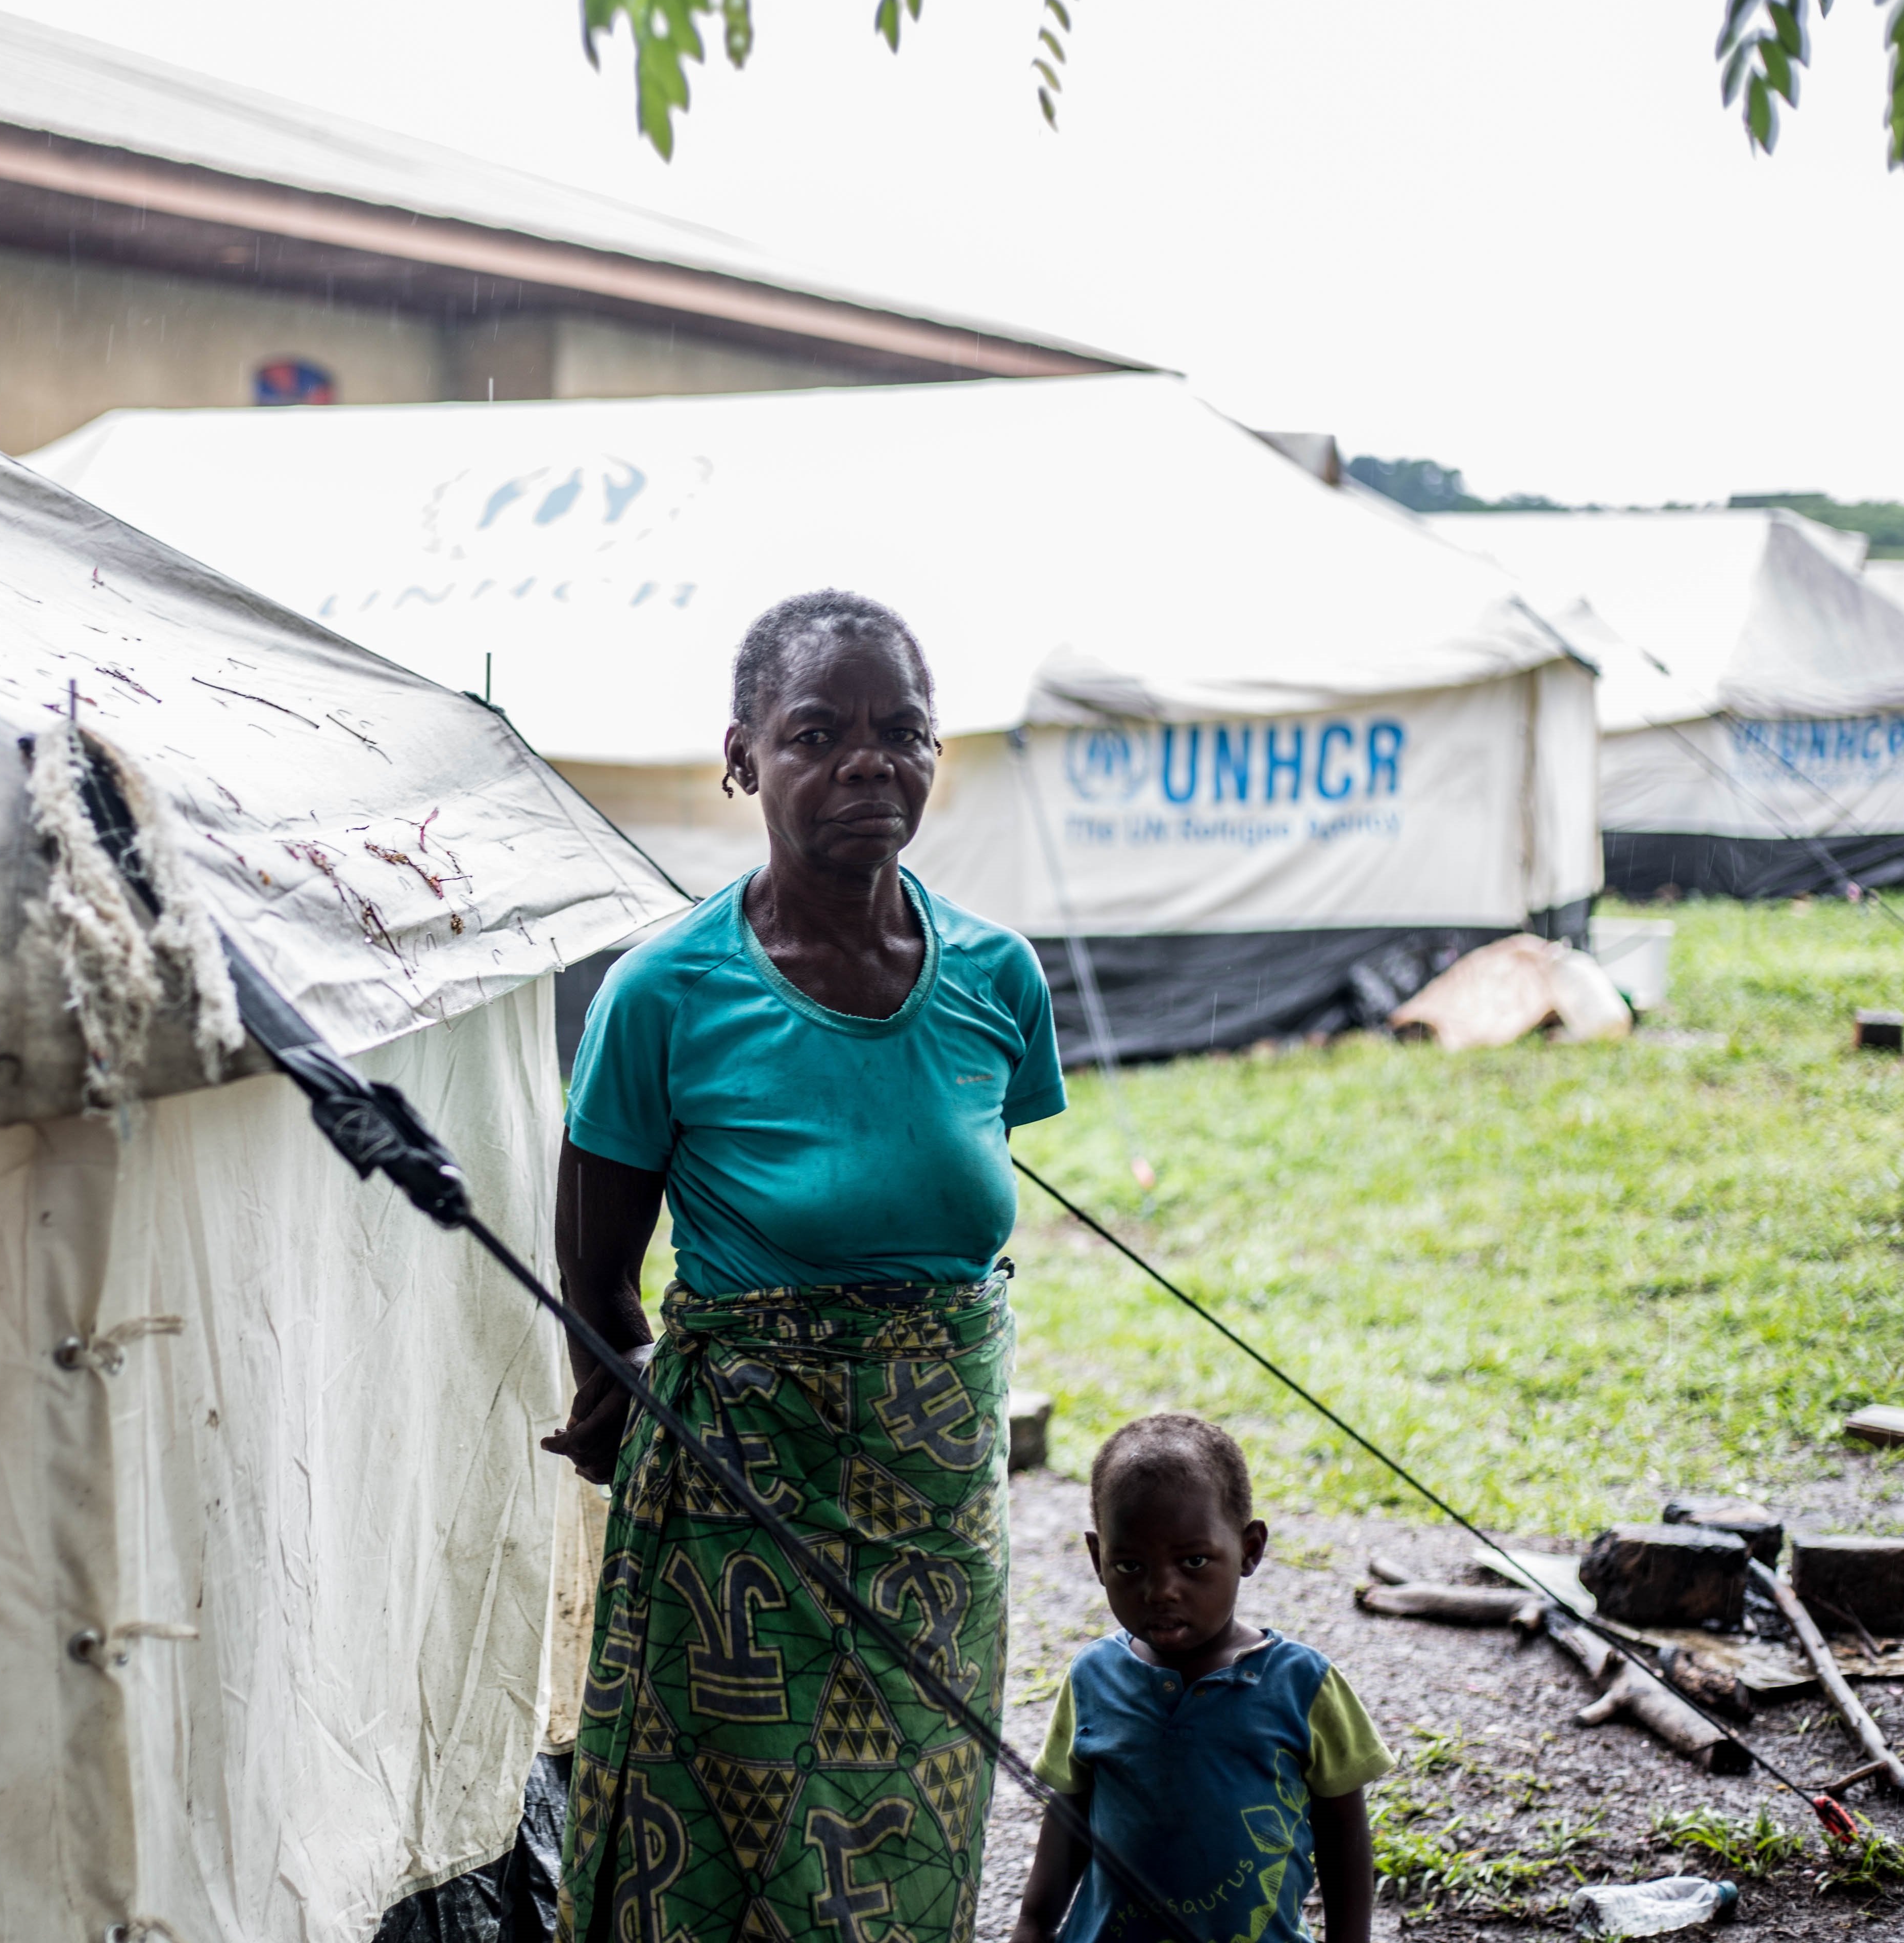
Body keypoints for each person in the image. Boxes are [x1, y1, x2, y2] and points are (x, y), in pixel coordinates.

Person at [546, 589, 1068, 1943]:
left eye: (902, 731)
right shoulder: (662, 995)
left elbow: (944, 1213)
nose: (866, 764)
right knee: (720, 1857)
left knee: (911, 1835)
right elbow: (598, 1284)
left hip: (937, 1516)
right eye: (817, 732)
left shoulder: (999, 982)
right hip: (738, 1513)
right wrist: (628, 1413)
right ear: (743, 757)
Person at [1009, 1415, 1387, 1943]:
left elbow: (1342, 1832)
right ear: (1098, 1559)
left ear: (1250, 1550)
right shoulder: (1093, 1677)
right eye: (1130, 1566)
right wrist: (1032, 1926)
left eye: (1193, 1561)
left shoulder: (1304, 1684)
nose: (1161, 1590)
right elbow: (1068, 1816)